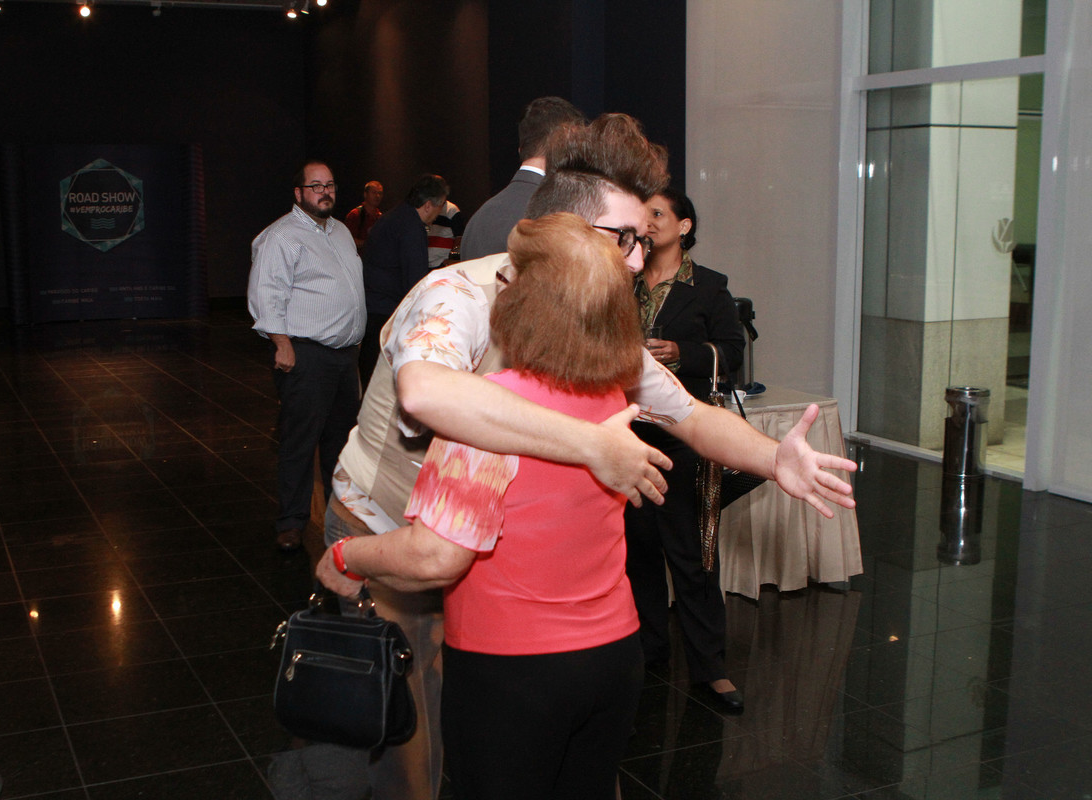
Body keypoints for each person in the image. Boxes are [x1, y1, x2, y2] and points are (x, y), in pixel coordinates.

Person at [317, 113, 856, 800]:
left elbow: (691, 416)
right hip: (387, 524)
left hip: (488, 587)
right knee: (403, 743)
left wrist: (776, 458)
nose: (637, 259)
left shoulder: (598, 332)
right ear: (566, 231)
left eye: (644, 239)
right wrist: (594, 445)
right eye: (623, 238)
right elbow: (424, 392)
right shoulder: (458, 296)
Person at [318, 213, 651, 800]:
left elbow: (435, 557)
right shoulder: (610, 399)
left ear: (523, 304)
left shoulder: (485, 414)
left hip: (512, 671)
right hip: (614, 660)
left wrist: (348, 556)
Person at [625, 189, 749, 712]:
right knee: (637, 553)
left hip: (685, 436)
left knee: (694, 556)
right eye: (643, 215)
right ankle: (650, 649)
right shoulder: (624, 279)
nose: (648, 223)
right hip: (628, 433)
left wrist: (684, 352)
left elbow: (733, 352)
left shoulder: (709, 286)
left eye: (658, 214)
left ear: (684, 225)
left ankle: (710, 667)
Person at [247, 160, 364, 552]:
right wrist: (281, 343)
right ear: (298, 193)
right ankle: (292, 522)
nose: (324, 192)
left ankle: (339, 517)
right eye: (316, 186)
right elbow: (266, 293)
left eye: (329, 184)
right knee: (300, 442)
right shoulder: (282, 236)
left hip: (344, 357)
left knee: (340, 444)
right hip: (306, 356)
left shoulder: (341, 231)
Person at [460, 96, 585, 260]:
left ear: (521, 149)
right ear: (564, 146)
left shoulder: (477, 220)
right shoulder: (557, 217)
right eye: (577, 146)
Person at [358, 174, 450, 389]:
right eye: (441, 206)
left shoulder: (396, 216)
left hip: (373, 309)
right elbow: (415, 282)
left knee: (371, 376)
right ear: (428, 205)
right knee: (383, 384)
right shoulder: (411, 227)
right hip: (387, 314)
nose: (440, 213)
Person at [344, 180, 383, 253]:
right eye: (374, 192)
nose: (377, 196)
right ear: (365, 194)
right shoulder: (355, 215)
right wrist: (369, 243)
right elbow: (347, 240)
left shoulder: (381, 217)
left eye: (380, 193)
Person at [426, 199, 465, 268]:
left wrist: (449, 260)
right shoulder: (426, 207)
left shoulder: (452, 210)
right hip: (425, 262)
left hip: (442, 263)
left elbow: (460, 238)